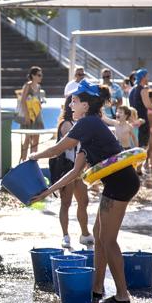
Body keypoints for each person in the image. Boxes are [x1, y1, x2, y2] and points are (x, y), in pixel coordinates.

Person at [30, 79, 141, 303]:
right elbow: (74, 173)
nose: (70, 104)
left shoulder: (88, 123)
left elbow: (57, 149)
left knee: (108, 241)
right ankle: (97, 289)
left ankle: (122, 295)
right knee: (98, 236)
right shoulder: (89, 128)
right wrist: (46, 191)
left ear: (86, 105)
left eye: (75, 100)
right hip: (117, 182)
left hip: (121, 182)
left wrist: (32, 157)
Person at [50, 97, 92, 249]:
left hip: (79, 168)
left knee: (84, 202)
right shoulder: (66, 124)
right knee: (66, 203)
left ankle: (85, 233)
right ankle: (65, 235)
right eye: (74, 102)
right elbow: (74, 141)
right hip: (67, 168)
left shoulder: (79, 122)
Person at [128, 69, 152, 175]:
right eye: (147, 76)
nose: (148, 79)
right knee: (143, 146)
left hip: (133, 120)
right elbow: (148, 105)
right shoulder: (143, 90)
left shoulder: (132, 89)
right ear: (143, 77)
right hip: (142, 121)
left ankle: (134, 168)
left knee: (134, 145)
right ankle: (138, 169)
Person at [19, 66, 45, 162]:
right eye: (39, 75)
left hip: (37, 114)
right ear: (33, 76)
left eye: (41, 75)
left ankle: (33, 160)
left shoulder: (39, 87)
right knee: (27, 138)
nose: (41, 77)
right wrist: (26, 115)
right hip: (29, 115)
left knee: (36, 139)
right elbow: (22, 101)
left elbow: (36, 100)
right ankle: (24, 160)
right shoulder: (27, 86)